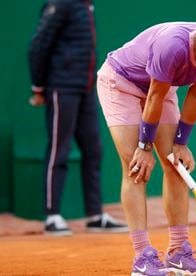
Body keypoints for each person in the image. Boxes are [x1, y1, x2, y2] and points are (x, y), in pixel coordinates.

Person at [96, 22, 196, 275]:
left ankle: (178, 252)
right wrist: (144, 147)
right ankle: (142, 258)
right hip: (121, 84)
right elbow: (154, 96)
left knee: (176, 166)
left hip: (161, 88)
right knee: (136, 168)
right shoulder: (173, 46)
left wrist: (181, 144)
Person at [28, 0, 128, 236]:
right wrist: (38, 86)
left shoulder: (86, 4)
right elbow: (38, 46)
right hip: (61, 87)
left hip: (85, 88)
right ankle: (52, 216)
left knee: (94, 150)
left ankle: (95, 215)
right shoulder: (60, 3)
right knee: (58, 150)